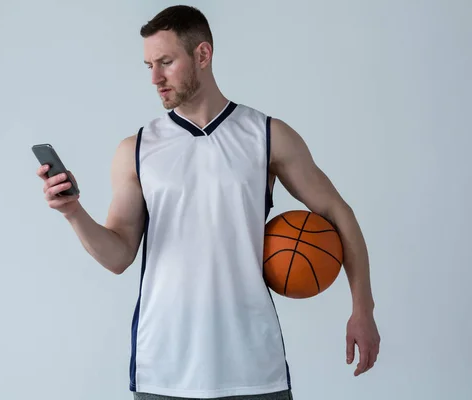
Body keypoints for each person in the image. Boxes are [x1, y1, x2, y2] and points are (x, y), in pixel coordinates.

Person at [36, 5, 380, 400]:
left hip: (253, 365)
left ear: (202, 55)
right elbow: (118, 257)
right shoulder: (137, 148)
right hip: (164, 368)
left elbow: (339, 213)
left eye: (166, 61)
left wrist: (363, 310)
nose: (154, 78)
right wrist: (73, 212)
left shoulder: (267, 135)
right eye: (148, 64)